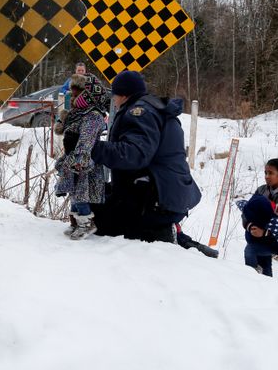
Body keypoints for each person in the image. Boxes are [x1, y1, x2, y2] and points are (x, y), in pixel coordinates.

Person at [89, 70, 201, 243]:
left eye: (115, 96)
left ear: (124, 95)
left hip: (157, 202)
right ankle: (167, 231)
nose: (114, 101)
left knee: (97, 220)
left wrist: (93, 148)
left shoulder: (140, 113)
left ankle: (162, 234)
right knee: (102, 196)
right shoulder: (154, 108)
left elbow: (135, 154)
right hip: (167, 194)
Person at [54, 73, 109, 239]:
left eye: (77, 92)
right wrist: (63, 120)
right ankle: (76, 222)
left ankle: (86, 224)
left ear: (88, 94)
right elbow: (66, 131)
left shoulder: (93, 115)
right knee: (74, 191)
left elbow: (86, 138)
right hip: (72, 157)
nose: (73, 95)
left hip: (83, 160)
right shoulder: (78, 113)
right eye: (73, 91)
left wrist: (79, 159)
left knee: (81, 193)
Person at [237, 193, 278, 276]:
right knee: (265, 264)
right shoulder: (247, 208)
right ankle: (268, 283)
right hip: (257, 242)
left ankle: (252, 276)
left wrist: (266, 233)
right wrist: (250, 226)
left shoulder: (272, 221)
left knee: (250, 251)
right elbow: (240, 203)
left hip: (271, 245)